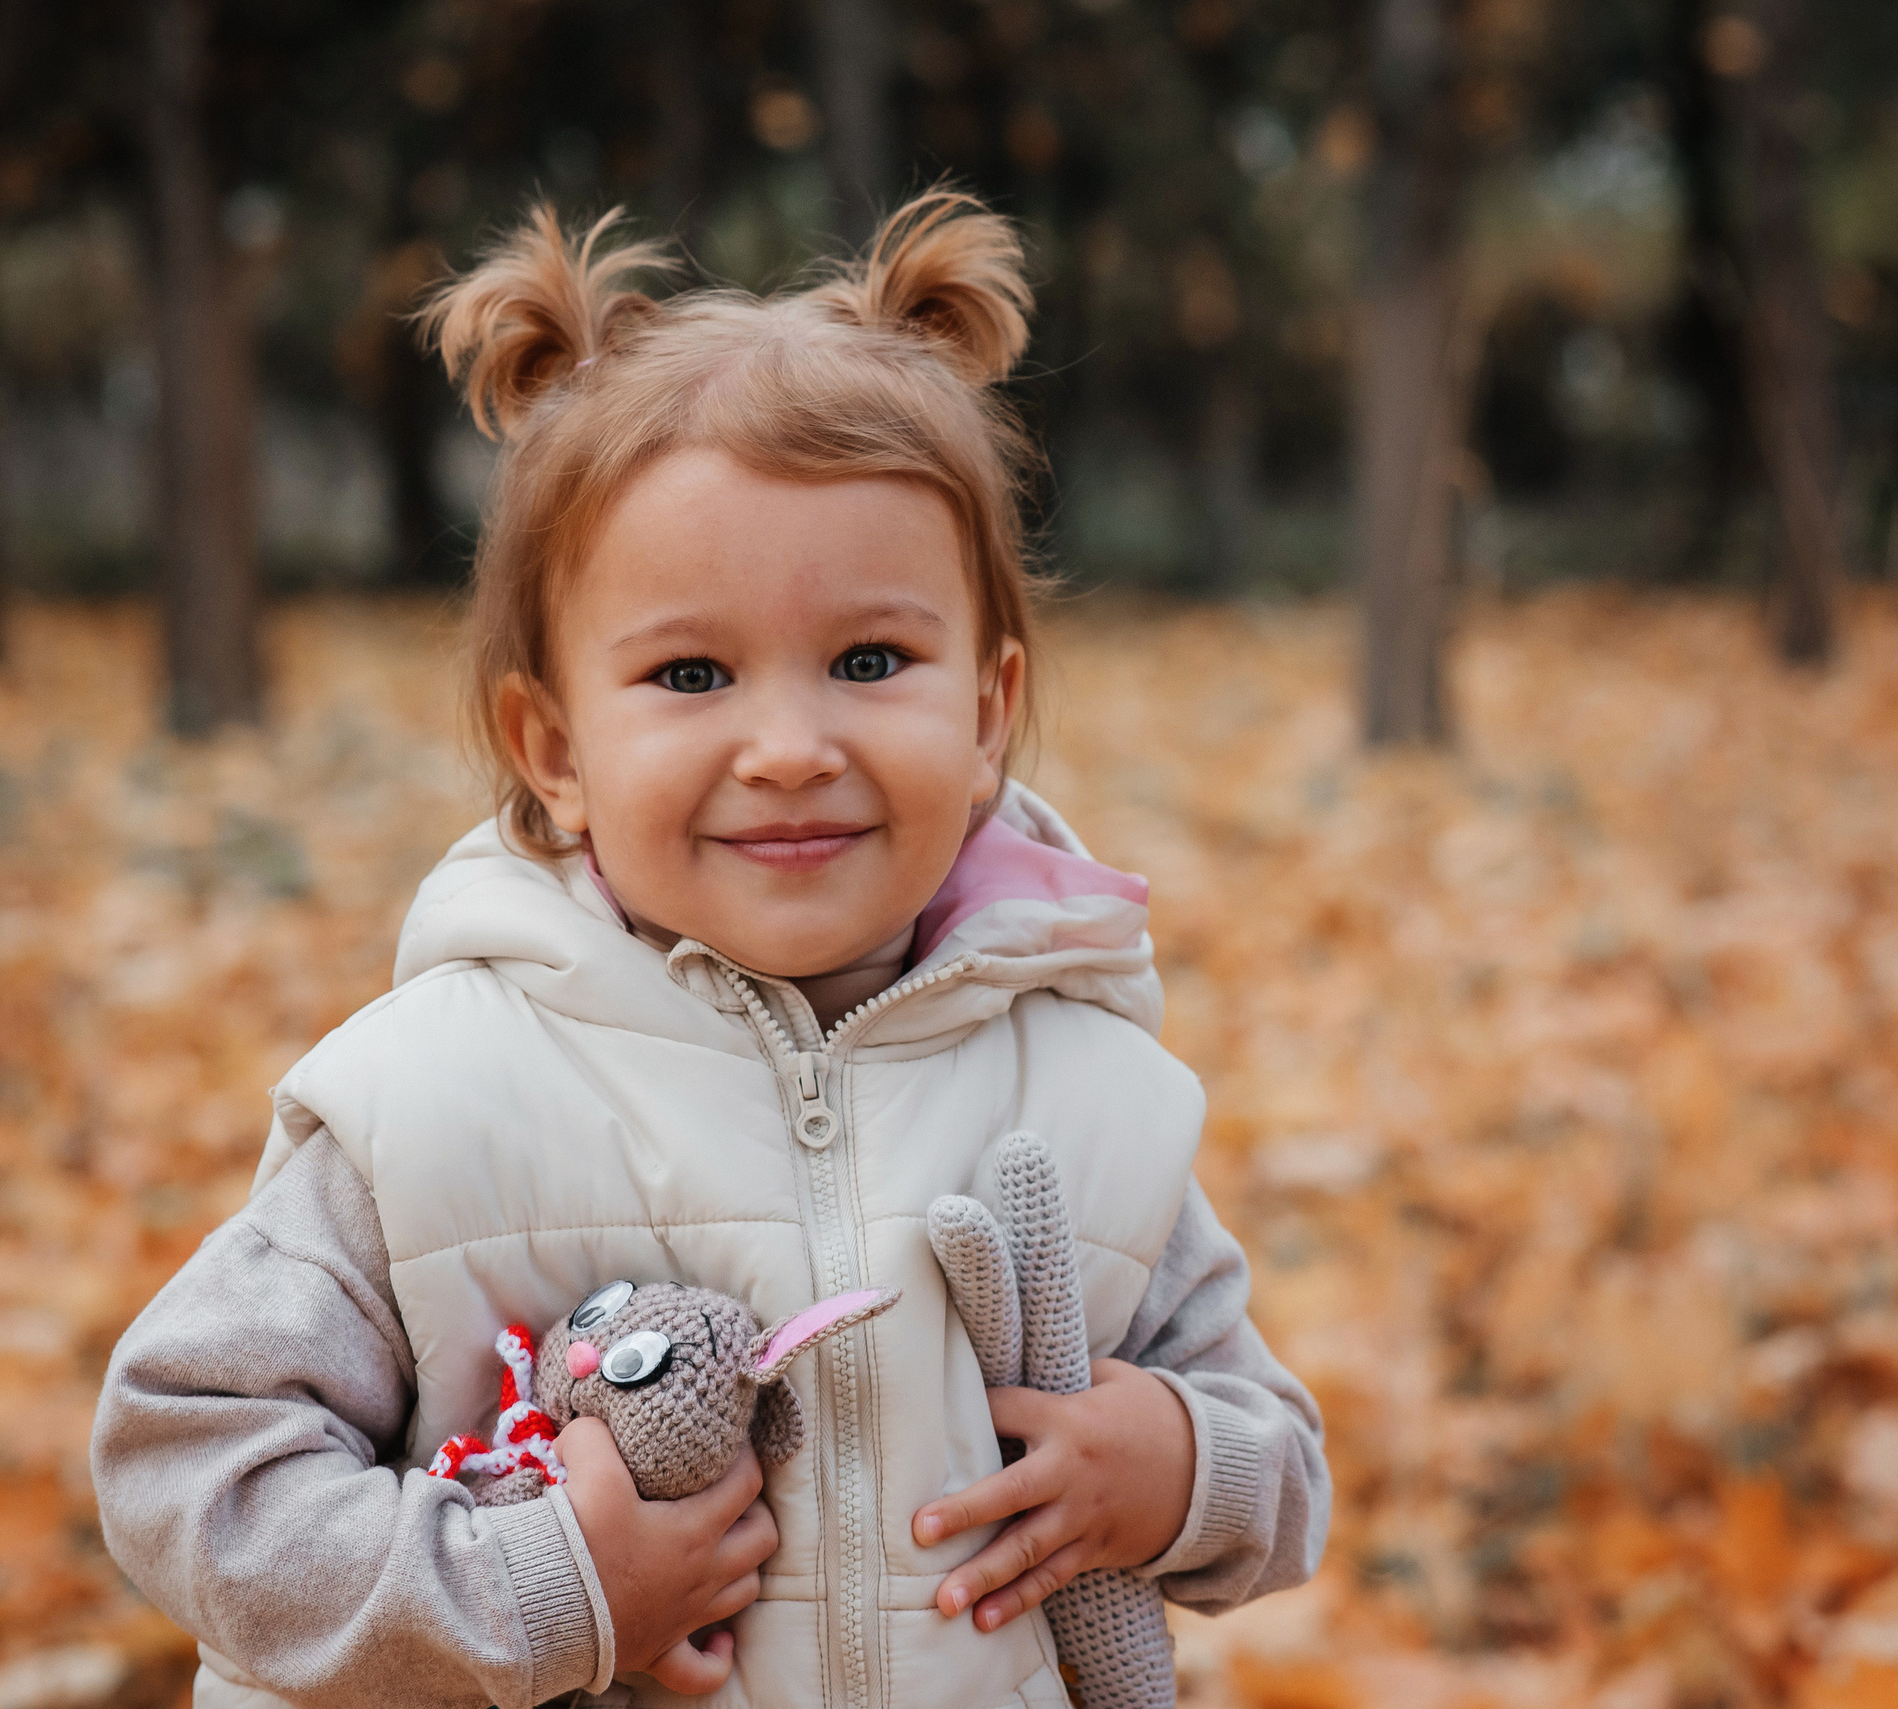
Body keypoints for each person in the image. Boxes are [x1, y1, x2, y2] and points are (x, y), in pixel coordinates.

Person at [90, 189, 1329, 1709]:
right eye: (691, 673)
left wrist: (1185, 1470)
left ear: (991, 710)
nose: (791, 747)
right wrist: (545, 1586)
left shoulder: (1087, 1093)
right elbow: (186, 1469)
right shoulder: (433, 1106)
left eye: (872, 661)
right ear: (551, 745)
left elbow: (1280, 1457)